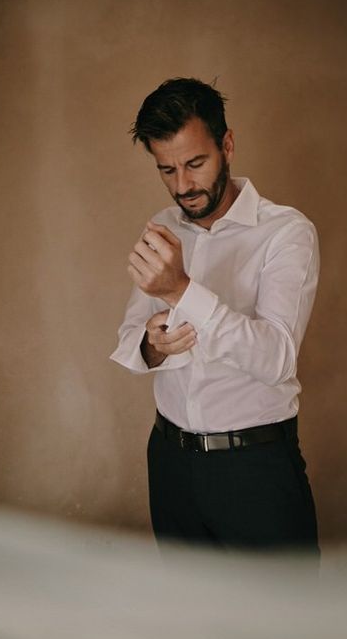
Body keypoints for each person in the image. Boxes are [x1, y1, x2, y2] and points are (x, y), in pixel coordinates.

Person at [110, 78, 319, 559]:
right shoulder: (163, 226)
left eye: (195, 164)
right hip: (169, 463)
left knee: (284, 622)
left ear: (226, 144)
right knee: (194, 621)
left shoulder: (285, 233)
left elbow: (277, 358)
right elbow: (131, 336)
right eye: (167, 170)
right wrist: (152, 344)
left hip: (256, 467)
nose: (183, 185)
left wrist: (180, 289)